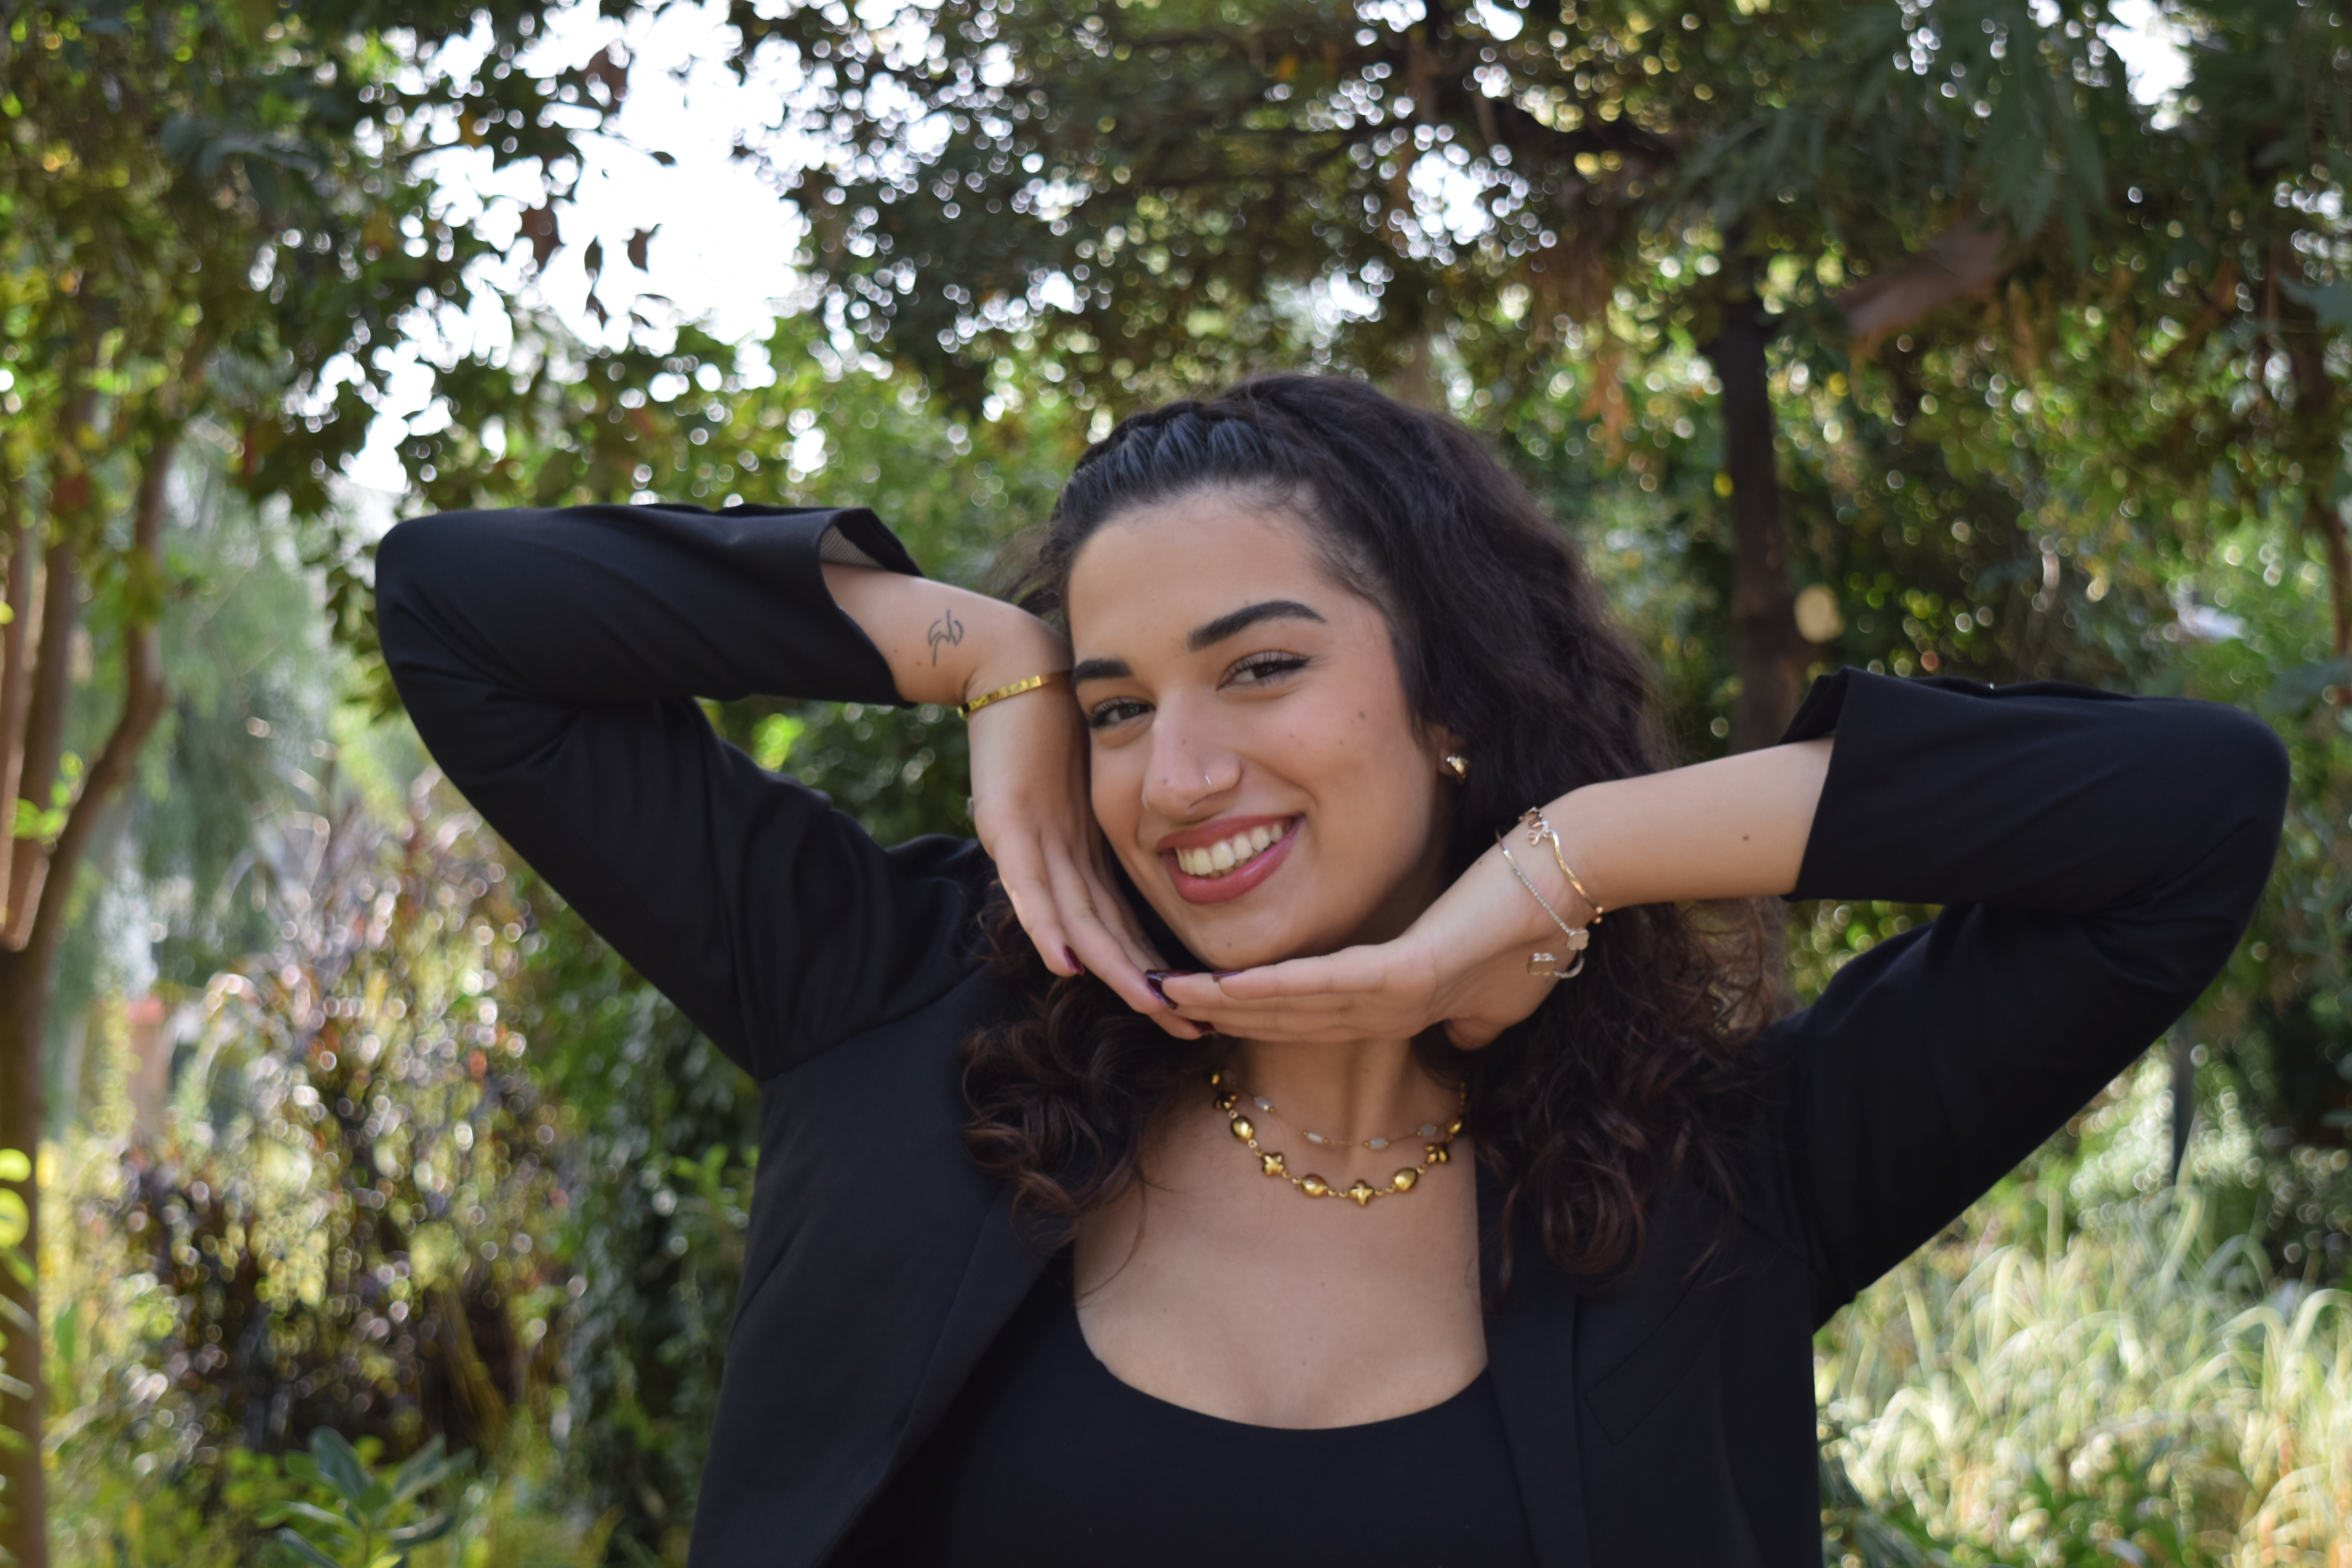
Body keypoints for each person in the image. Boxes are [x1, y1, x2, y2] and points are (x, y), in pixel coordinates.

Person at [376, 373, 2287, 1568]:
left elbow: (2190, 815)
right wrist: (984, 654)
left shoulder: (1721, 1170)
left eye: (1263, 667)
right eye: (1121, 706)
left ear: (1452, 696)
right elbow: (461, 611)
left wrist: (1573, 854)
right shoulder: (903, 1008)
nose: (1179, 776)